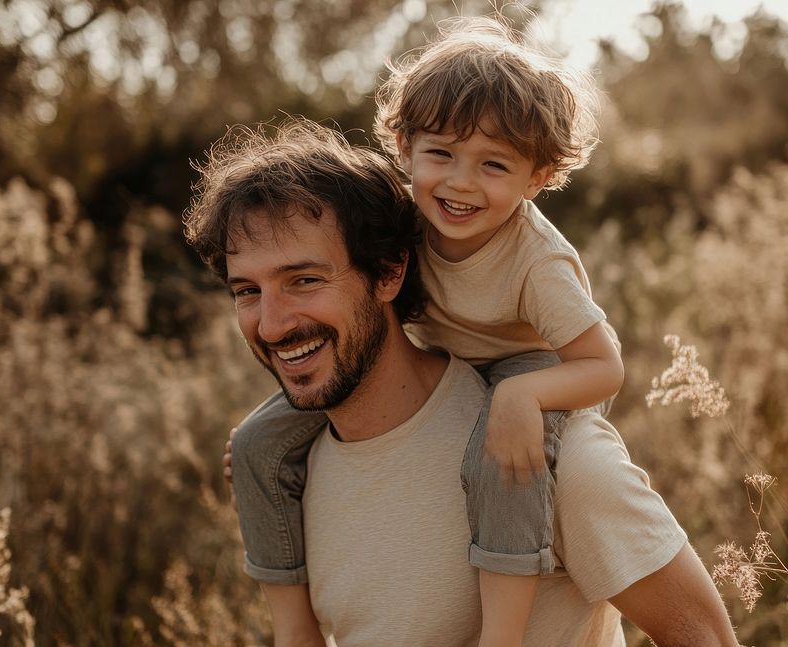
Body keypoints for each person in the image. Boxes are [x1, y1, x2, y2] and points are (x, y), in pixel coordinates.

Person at [185, 117, 738, 646]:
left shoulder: (549, 457)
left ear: (390, 273)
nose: (273, 323)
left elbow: (703, 637)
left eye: (304, 280)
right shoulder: (288, 468)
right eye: (247, 291)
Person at [210, 17, 627, 646]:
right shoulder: (405, 217)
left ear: (537, 178)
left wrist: (522, 398)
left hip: (533, 370)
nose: (460, 183)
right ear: (404, 147)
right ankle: (294, 633)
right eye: (441, 155)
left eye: (493, 164)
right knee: (255, 444)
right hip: (447, 358)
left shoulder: (538, 261)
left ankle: (502, 635)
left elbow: (605, 366)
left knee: (502, 457)